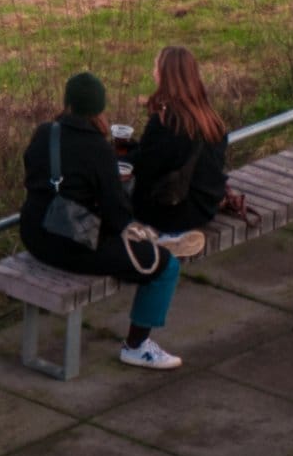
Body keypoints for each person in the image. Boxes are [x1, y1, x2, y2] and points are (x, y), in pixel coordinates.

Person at [20, 71, 204, 371]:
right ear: (99, 109)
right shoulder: (98, 149)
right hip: (73, 245)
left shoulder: (44, 133)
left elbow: (33, 173)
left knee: (141, 245)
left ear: (67, 103)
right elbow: (118, 215)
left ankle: (159, 242)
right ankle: (137, 346)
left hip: (35, 234)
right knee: (165, 266)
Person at [128, 46, 228, 235]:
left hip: (174, 213)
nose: (153, 73)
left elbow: (144, 169)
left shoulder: (166, 121)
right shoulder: (210, 118)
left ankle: (157, 242)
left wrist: (119, 155)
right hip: (205, 208)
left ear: (166, 76)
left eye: (156, 68)